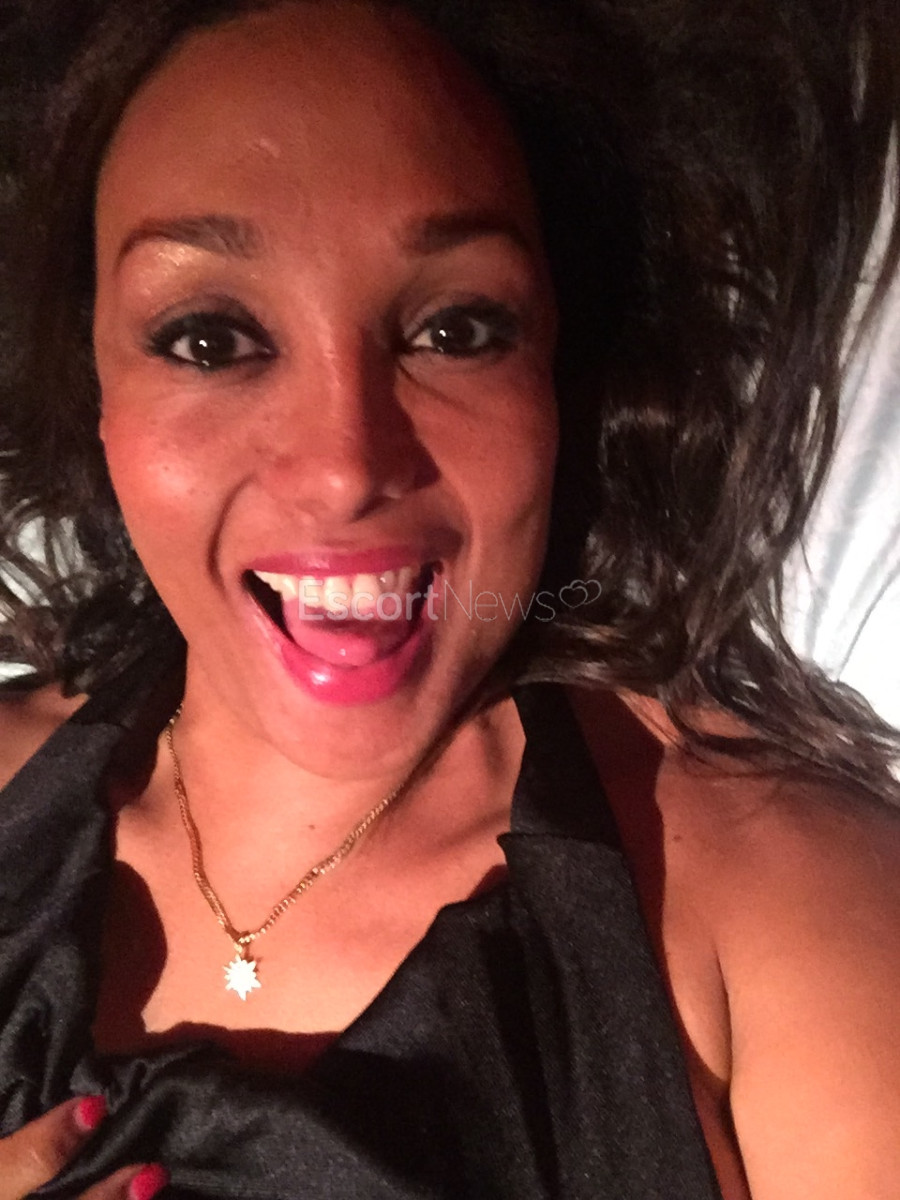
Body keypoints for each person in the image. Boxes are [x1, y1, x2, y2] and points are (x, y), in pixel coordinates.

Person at [0, 1, 899, 1197]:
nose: (345, 466)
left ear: (563, 372)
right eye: (210, 339)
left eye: (457, 328)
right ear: (93, 390)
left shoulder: (797, 899)